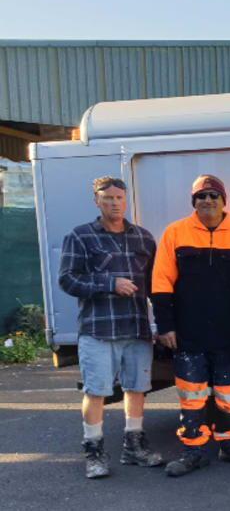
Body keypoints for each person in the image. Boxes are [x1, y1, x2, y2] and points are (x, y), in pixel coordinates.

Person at [152, 174, 230, 477]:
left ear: (224, 201)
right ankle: (194, 451)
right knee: (192, 396)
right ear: (193, 202)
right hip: (188, 334)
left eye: (214, 195)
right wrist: (166, 326)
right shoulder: (175, 233)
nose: (208, 200)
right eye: (202, 196)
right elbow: (161, 283)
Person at [58, 176, 162, 478]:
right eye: (107, 198)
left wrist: (166, 322)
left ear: (126, 200)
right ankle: (94, 452)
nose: (114, 203)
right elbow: (67, 280)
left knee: (137, 388)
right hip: (99, 330)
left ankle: (134, 447)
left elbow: (156, 285)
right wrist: (109, 284)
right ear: (96, 202)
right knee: (96, 391)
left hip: (136, 327)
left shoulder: (143, 237)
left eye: (119, 198)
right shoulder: (80, 237)